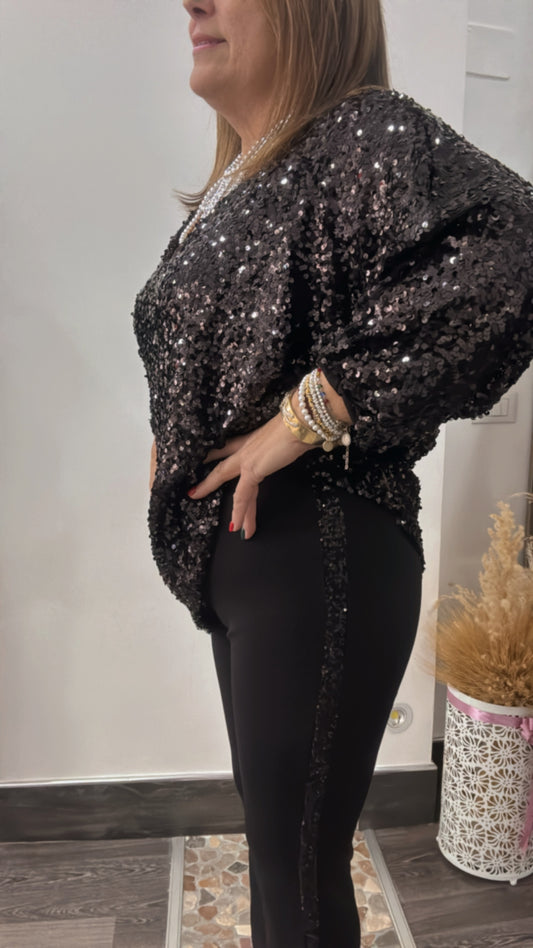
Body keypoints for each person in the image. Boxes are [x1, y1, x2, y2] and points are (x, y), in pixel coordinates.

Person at [132, 1, 533, 945]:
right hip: (252, 561)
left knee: (299, 875)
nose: (192, 2)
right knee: (281, 857)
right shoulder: (246, 175)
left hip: (317, 552)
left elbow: (514, 245)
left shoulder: (357, 132)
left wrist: (308, 413)